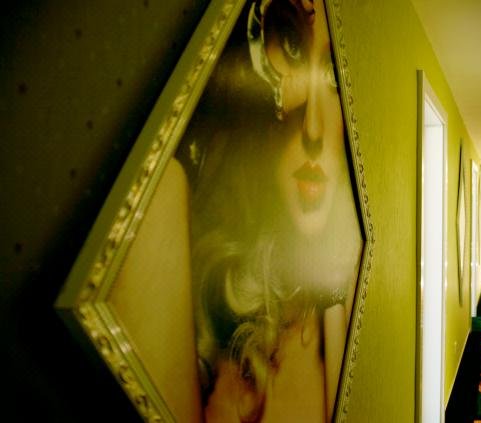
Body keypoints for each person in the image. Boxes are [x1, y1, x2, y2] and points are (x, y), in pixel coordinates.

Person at [176, 0, 363, 421]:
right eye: (292, 47)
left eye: (335, 77)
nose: (313, 127)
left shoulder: (351, 300)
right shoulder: (197, 299)